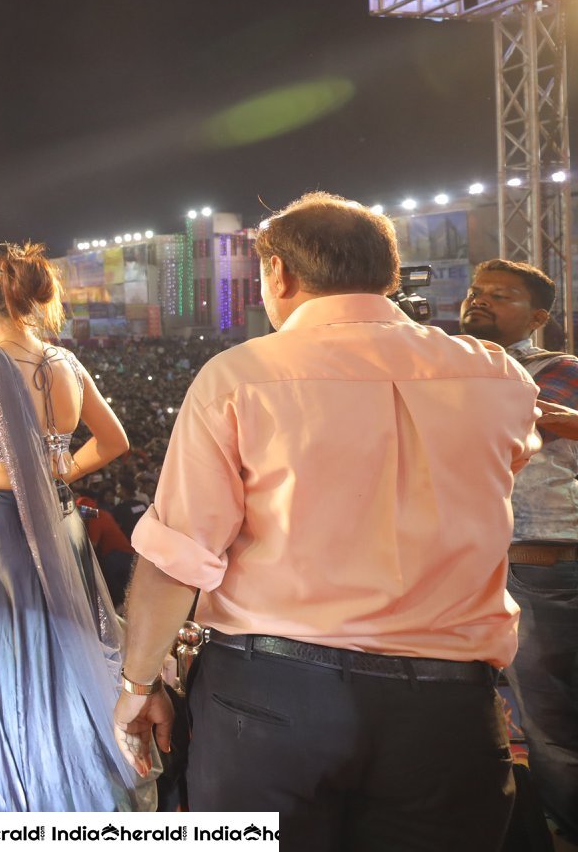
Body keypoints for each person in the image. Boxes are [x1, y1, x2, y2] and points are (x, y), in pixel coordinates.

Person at [115, 192, 539, 852]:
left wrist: (139, 684)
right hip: (448, 709)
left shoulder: (241, 376)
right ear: (390, 276)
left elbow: (178, 556)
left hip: (272, 700)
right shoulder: (499, 377)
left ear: (277, 274)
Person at [0, 242, 147, 812]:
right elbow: (114, 440)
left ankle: (7, 795)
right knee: (65, 654)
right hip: (63, 523)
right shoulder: (66, 362)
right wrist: (62, 467)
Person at [459, 259, 578, 846]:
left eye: (500, 296)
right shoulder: (459, 368)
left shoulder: (555, 370)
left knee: (551, 727)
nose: (479, 302)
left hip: (545, 567)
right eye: (476, 294)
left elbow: (499, 425)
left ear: (537, 318)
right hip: (497, 570)